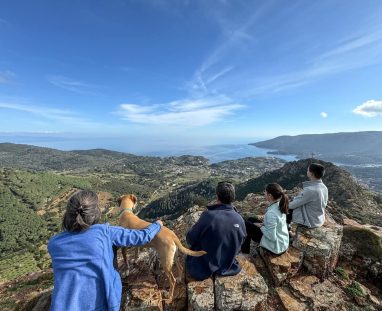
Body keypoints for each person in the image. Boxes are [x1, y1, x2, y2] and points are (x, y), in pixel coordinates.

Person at [48, 190, 163, 311]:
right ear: (95, 212)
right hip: (102, 303)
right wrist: (157, 225)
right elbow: (141, 237)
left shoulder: (54, 244)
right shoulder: (105, 232)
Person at [185, 181, 246, 281]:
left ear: (217, 196)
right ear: (233, 197)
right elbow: (241, 241)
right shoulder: (239, 219)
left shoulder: (208, 216)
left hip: (204, 266)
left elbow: (191, 239)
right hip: (229, 264)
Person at [241, 183, 289, 255]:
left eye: (265, 191)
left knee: (245, 224)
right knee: (251, 219)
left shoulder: (272, 213)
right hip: (282, 242)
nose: (264, 193)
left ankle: (244, 251)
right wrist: (263, 224)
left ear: (269, 195)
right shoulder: (280, 205)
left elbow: (271, 237)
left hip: (275, 247)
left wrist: (261, 226)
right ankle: (245, 248)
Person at [287, 163, 328, 228]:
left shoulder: (310, 190)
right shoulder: (324, 187)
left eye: (308, 170)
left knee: (286, 209)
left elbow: (292, 205)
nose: (307, 172)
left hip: (310, 221)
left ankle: (286, 230)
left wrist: (281, 205)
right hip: (318, 218)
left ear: (311, 174)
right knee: (293, 202)